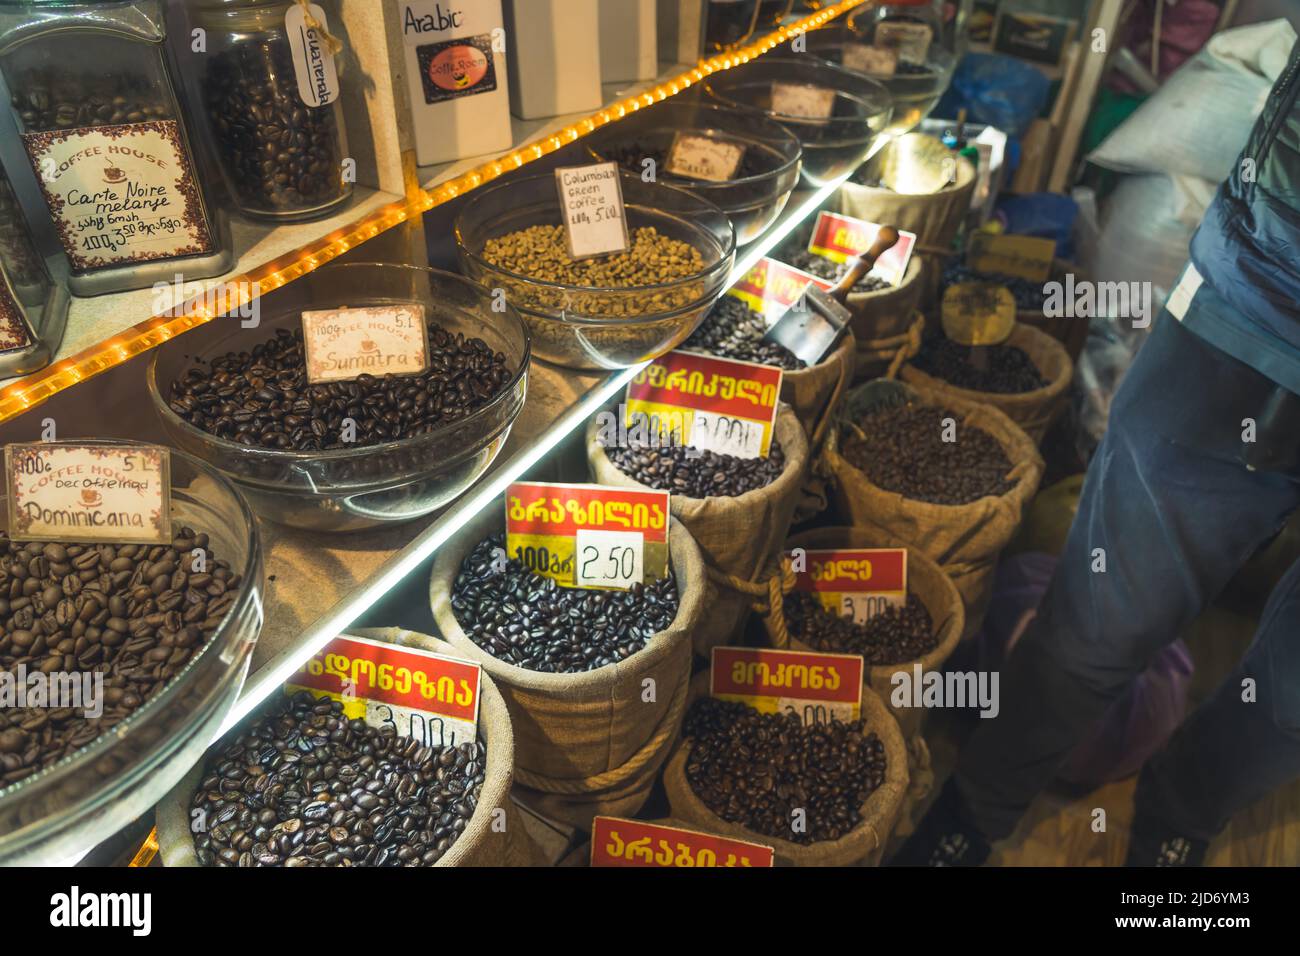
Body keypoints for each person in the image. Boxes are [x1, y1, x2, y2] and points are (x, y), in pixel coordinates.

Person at [895, 38, 1300, 867]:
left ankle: (1180, 813)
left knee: (1293, 700)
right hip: (1258, 307)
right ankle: (973, 813)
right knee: (1099, 620)